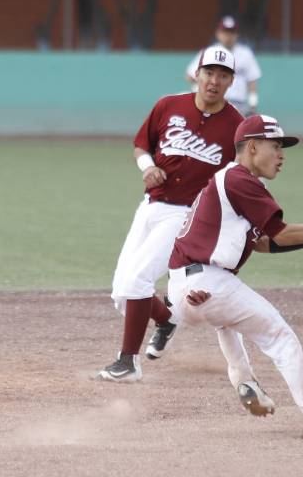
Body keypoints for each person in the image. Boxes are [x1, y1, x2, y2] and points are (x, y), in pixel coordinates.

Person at [165, 114, 303, 438]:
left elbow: (263, 242)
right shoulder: (240, 179)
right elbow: (280, 230)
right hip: (208, 281)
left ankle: (245, 381)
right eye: (275, 146)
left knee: (226, 318)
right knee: (278, 335)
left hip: (183, 290)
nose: (281, 155)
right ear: (251, 147)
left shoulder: (229, 184)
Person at [97, 45, 243, 383]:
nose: (214, 81)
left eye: (223, 76)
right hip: (150, 206)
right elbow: (141, 144)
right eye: (209, 73)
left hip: (187, 216)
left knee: (138, 281)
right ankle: (166, 319)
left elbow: (239, 178)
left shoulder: (236, 126)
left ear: (231, 81)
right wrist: (147, 166)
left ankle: (127, 362)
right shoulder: (169, 105)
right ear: (197, 74)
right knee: (123, 293)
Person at [185, 16, 263, 115]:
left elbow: (252, 80)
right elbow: (190, 75)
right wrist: (200, 90)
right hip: (213, 103)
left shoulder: (245, 53)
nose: (228, 36)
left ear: (236, 35)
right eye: (225, 32)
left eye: (231, 33)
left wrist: (253, 103)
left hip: (238, 104)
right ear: (218, 34)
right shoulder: (209, 52)